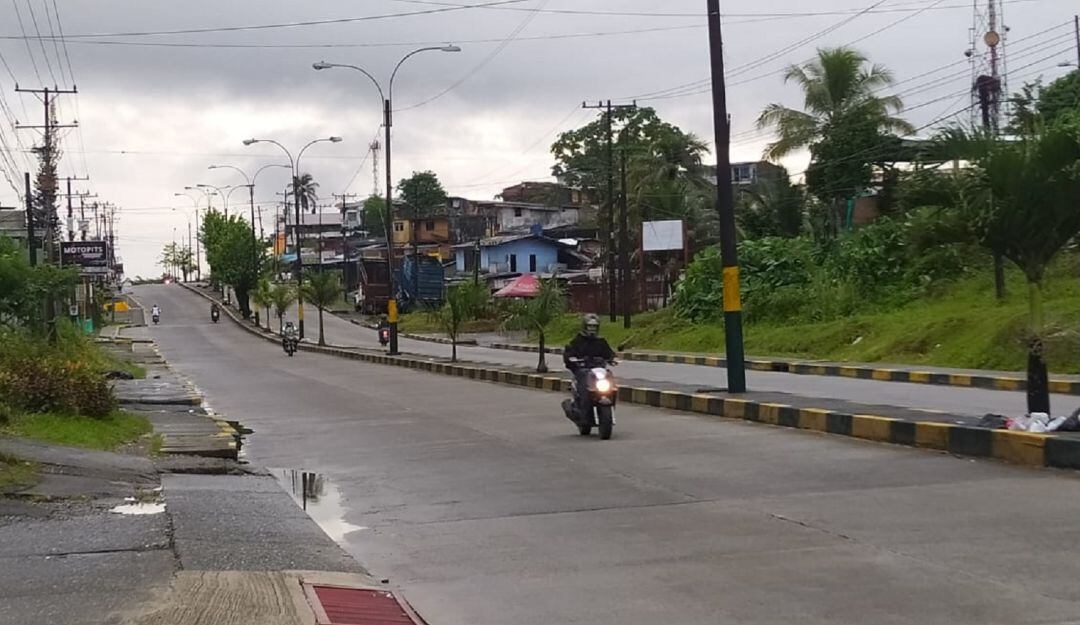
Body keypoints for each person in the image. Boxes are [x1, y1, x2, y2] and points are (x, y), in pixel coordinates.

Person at [563, 313, 615, 421]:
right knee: (583, 380)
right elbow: (569, 351)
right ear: (585, 326)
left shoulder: (601, 341)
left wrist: (613, 358)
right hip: (583, 369)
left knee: (610, 377)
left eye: (594, 326)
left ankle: (611, 401)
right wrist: (571, 358)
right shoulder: (578, 340)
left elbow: (609, 353)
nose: (592, 329)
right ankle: (582, 411)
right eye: (590, 326)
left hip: (598, 369)